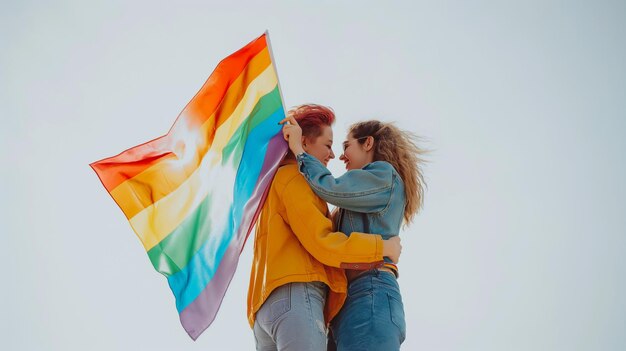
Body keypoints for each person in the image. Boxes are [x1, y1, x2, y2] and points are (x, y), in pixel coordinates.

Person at [248, 104, 402, 351]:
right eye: (329, 145)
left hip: (267, 305)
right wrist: (382, 246)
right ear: (304, 142)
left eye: (342, 146)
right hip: (296, 295)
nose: (334, 156)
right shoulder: (294, 180)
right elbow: (324, 242)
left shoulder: (272, 183)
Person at [281, 117, 426, 351]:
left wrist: (299, 150)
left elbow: (331, 187)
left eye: (346, 146)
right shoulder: (359, 197)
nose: (340, 156)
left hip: (370, 291)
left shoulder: (383, 175)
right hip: (351, 300)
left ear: (367, 143)